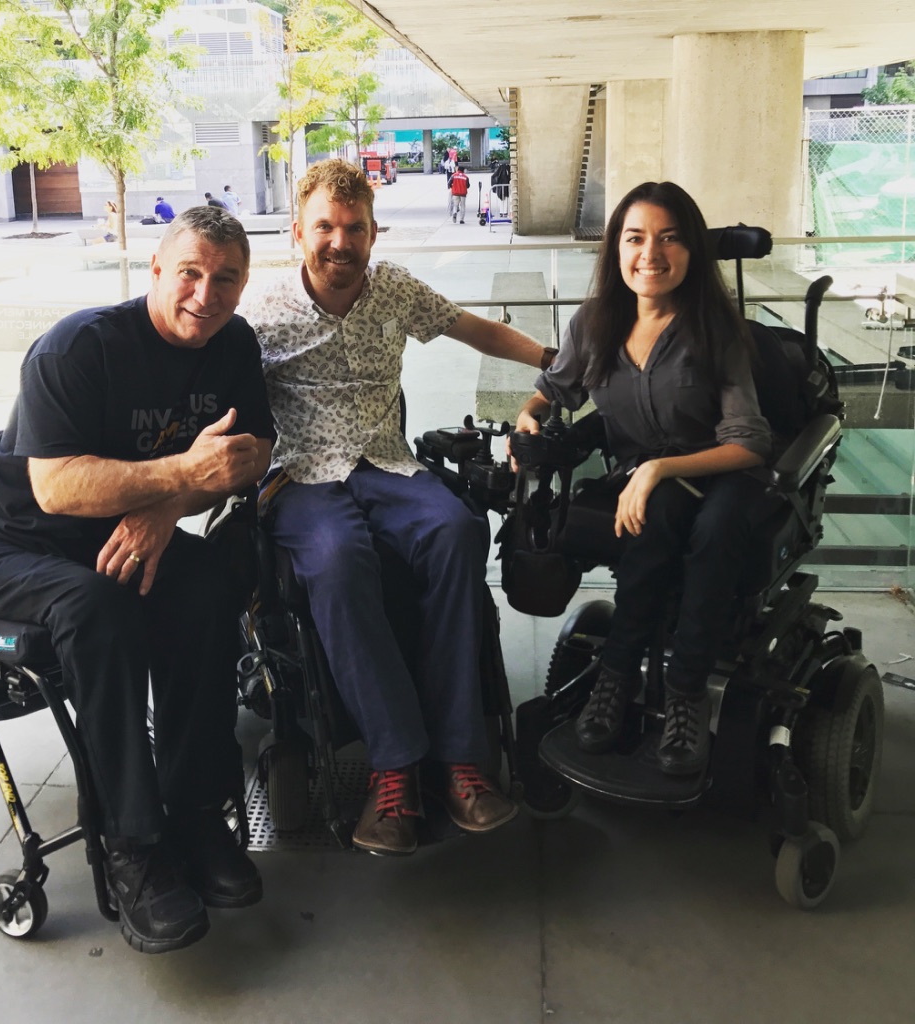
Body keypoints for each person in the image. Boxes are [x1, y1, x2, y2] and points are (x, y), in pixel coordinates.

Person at [0, 206, 276, 954]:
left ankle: (192, 812)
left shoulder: (234, 347)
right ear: (155, 271)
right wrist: (180, 475)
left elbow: (245, 460)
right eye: (189, 273)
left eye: (225, 279)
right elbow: (57, 489)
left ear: (243, 286)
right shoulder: (79, 348)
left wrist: (168, 505)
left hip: (113, 536)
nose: (205, 294)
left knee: (208, 585)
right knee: (98, 607)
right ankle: (132, 847)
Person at [239, 158, 557, 857]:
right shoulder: (260, 315)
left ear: (374, 234)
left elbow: (476, 330)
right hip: (303, 478)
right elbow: (210, 381)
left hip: (389, 465)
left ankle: (462, 761)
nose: (339, 242)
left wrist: (560, 366)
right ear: (298, 233)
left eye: (353, 228)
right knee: (338, 559)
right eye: (325, 227)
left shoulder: (394, 293)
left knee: (457, 531)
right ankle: (395, 768)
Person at [511, 181, 772, 777]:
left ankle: (685, 691)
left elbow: (750, 442)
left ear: (690, 251)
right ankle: (616, 675)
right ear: (616, 248)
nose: (650, 254)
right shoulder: (594, 324)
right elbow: (555, 390)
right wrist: (530, 415)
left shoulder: (716, 330)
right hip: (649, 486)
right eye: (636, 238)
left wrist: (657, 468)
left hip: (718, 471)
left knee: (714, 531)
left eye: (669, 238)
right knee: (652, 529)